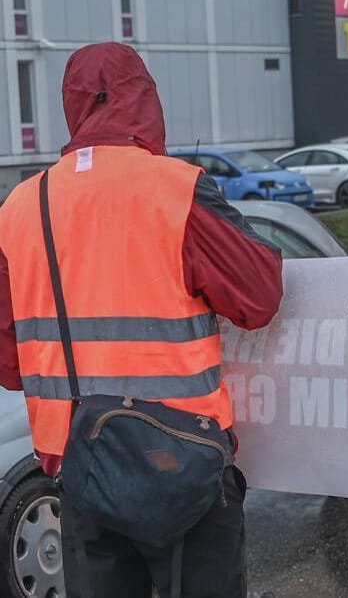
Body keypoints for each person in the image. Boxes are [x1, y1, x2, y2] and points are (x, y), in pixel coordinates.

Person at [0, 42, 284, 597]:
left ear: (73, 108)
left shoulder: (18, 208)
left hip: (80, 472)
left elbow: (11, 367)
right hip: (182, 462)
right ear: (145, 100)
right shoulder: (175, 189)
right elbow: (259, 297)